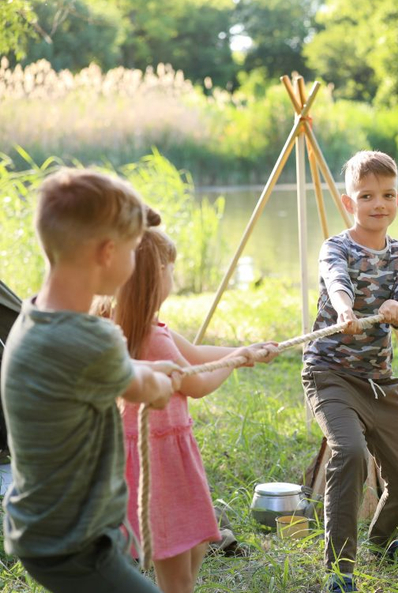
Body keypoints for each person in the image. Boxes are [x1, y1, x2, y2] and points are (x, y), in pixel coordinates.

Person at [0, 169, 178, 592]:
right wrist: (160, 377)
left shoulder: (34, 317)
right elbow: (147, 390)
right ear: (106, 253)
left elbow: (121, 373)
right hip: (72, 544)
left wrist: (146, 369)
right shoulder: (90, 340)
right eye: (134, 249)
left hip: (47, 529)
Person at [99, 216, 278, 593]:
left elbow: (195, 353)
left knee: (194, 543)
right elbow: (197, 383)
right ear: (156, 274)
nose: (174, 280)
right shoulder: (152, 336)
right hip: (160, 458)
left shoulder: (127, 323)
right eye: (171, 271)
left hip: (153, 451)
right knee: (176, 559)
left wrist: (242, 353)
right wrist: (234, 363)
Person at [300, 151, 398, 593]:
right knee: (349, 453)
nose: (379, 204)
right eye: (367, 196)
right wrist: (345, 307)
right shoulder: (336, 247)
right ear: (349, 201)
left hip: (379, 380)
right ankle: (340, 570)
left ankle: (382, 537)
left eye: (388, 195)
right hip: (329, 372)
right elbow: (336, 280)